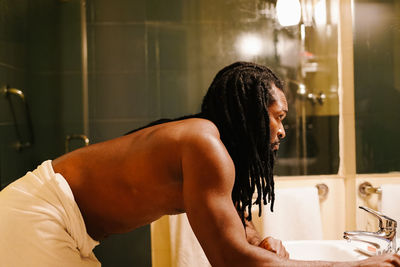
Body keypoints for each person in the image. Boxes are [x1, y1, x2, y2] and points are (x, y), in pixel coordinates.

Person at [0, 62, 399, 267]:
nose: (282, 130)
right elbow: (231, 261)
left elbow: (235, 222)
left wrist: (259, 240)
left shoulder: (208, 144)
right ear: (250, 112)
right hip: (38, 215)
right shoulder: (204, 144)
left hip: (58, 224)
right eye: (278, 117)